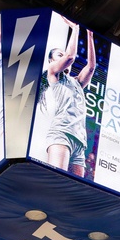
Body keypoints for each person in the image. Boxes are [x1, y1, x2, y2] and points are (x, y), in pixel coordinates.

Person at [38, 15, 95, 178]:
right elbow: (70, 57)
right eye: (59, 55)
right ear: (51, 61)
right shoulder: (53, 73)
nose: (63, 57)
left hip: (79, 140)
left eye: (63, 54)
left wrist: (90, 35)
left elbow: (91, 68)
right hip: (61, 133)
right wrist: (76, 29)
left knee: (74, 188)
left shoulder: (76, 82)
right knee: (57, 179)